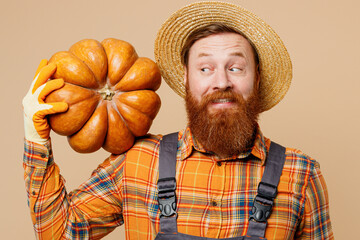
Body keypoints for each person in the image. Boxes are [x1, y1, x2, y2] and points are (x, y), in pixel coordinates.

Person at [22, 1, 333, 239]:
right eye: (205, 68)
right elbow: (59, 233)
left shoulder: (300, 173)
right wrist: (37, 141)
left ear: (257, 79)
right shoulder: (136, 162)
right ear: (186, 79)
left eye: (236, 68)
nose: (221, 81)